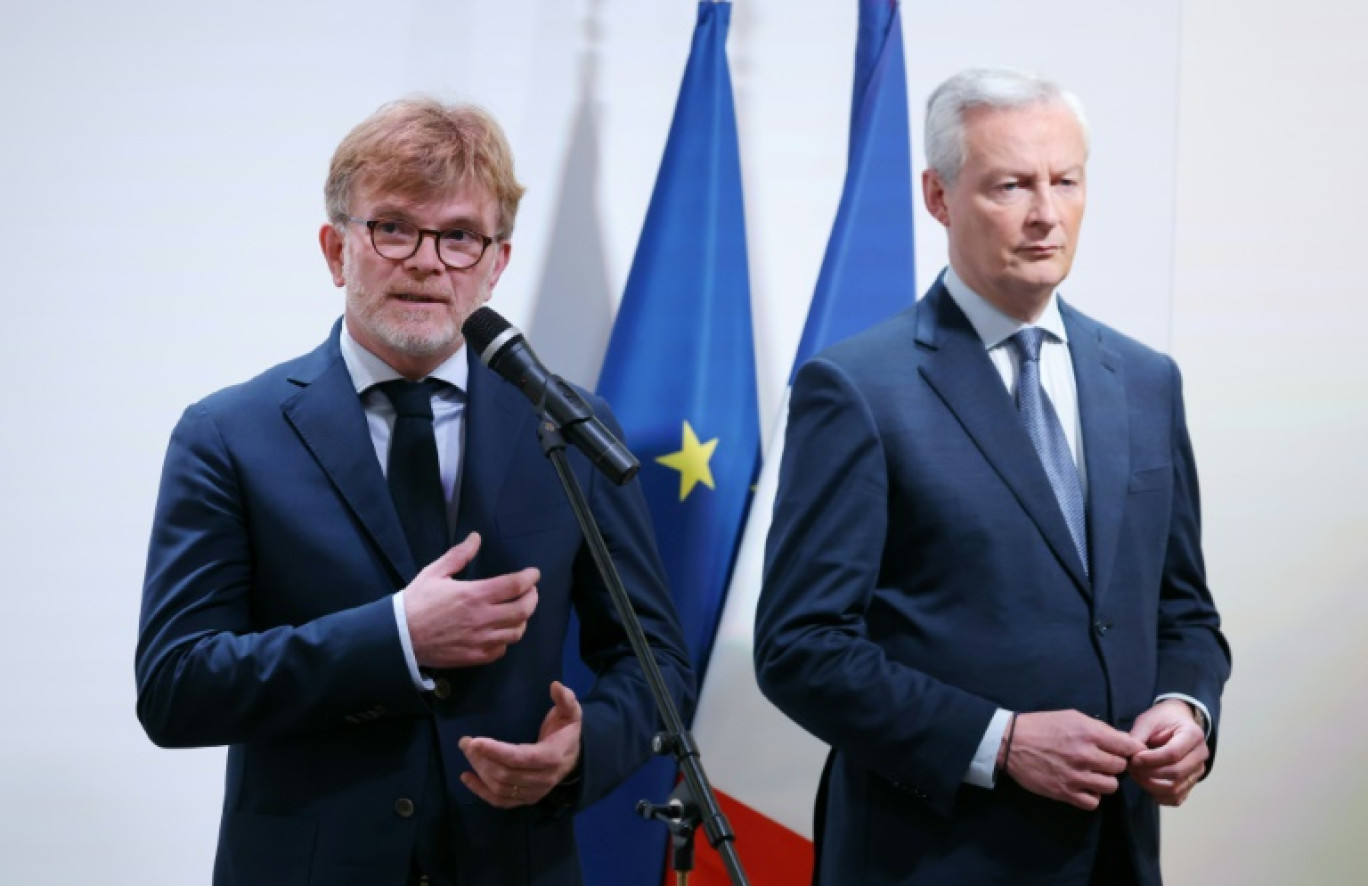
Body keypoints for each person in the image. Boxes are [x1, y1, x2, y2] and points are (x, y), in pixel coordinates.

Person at [135, 97, 694, 886]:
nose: (427, 261)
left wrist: (581, 749)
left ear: (497, 263)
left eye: (460, 236)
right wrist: (395, 637)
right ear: (336, 251)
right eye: (393, 227)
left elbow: (656, 660)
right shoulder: (229, 435)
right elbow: (175, 686)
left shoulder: (566, 425)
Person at [754, 68, 1231, 886]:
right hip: (932, 857)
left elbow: (1181, 611)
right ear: (938, 197)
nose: (1047, 214)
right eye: (1012, 185)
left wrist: (1189, 709)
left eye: (1066, 181)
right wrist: (998, 741)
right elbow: (799, 648)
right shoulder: (857, 388)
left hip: (1116, 855)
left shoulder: (1149, 381)